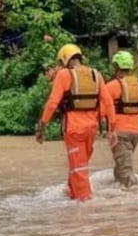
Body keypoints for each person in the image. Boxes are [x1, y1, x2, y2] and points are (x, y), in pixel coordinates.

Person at [36, 44, 116, 201]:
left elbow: (53, 102)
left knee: (79, 168)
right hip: (91, 129)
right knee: (80, 165)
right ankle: (72, 194)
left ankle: (84, 205)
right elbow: (108, 102)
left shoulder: (64, 75)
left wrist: (42, 125)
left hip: (74, 130)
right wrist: (112, 128)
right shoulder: (95, 75)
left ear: (65, 59)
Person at [105, 50, 138, 188]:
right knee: (122, 163)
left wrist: (108, 129)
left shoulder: (111, 86)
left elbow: (102, 109)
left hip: (119, 133)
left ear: (115, 67)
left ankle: (132, 196)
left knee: (125, 169)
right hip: (136, 133)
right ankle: (118, 189)